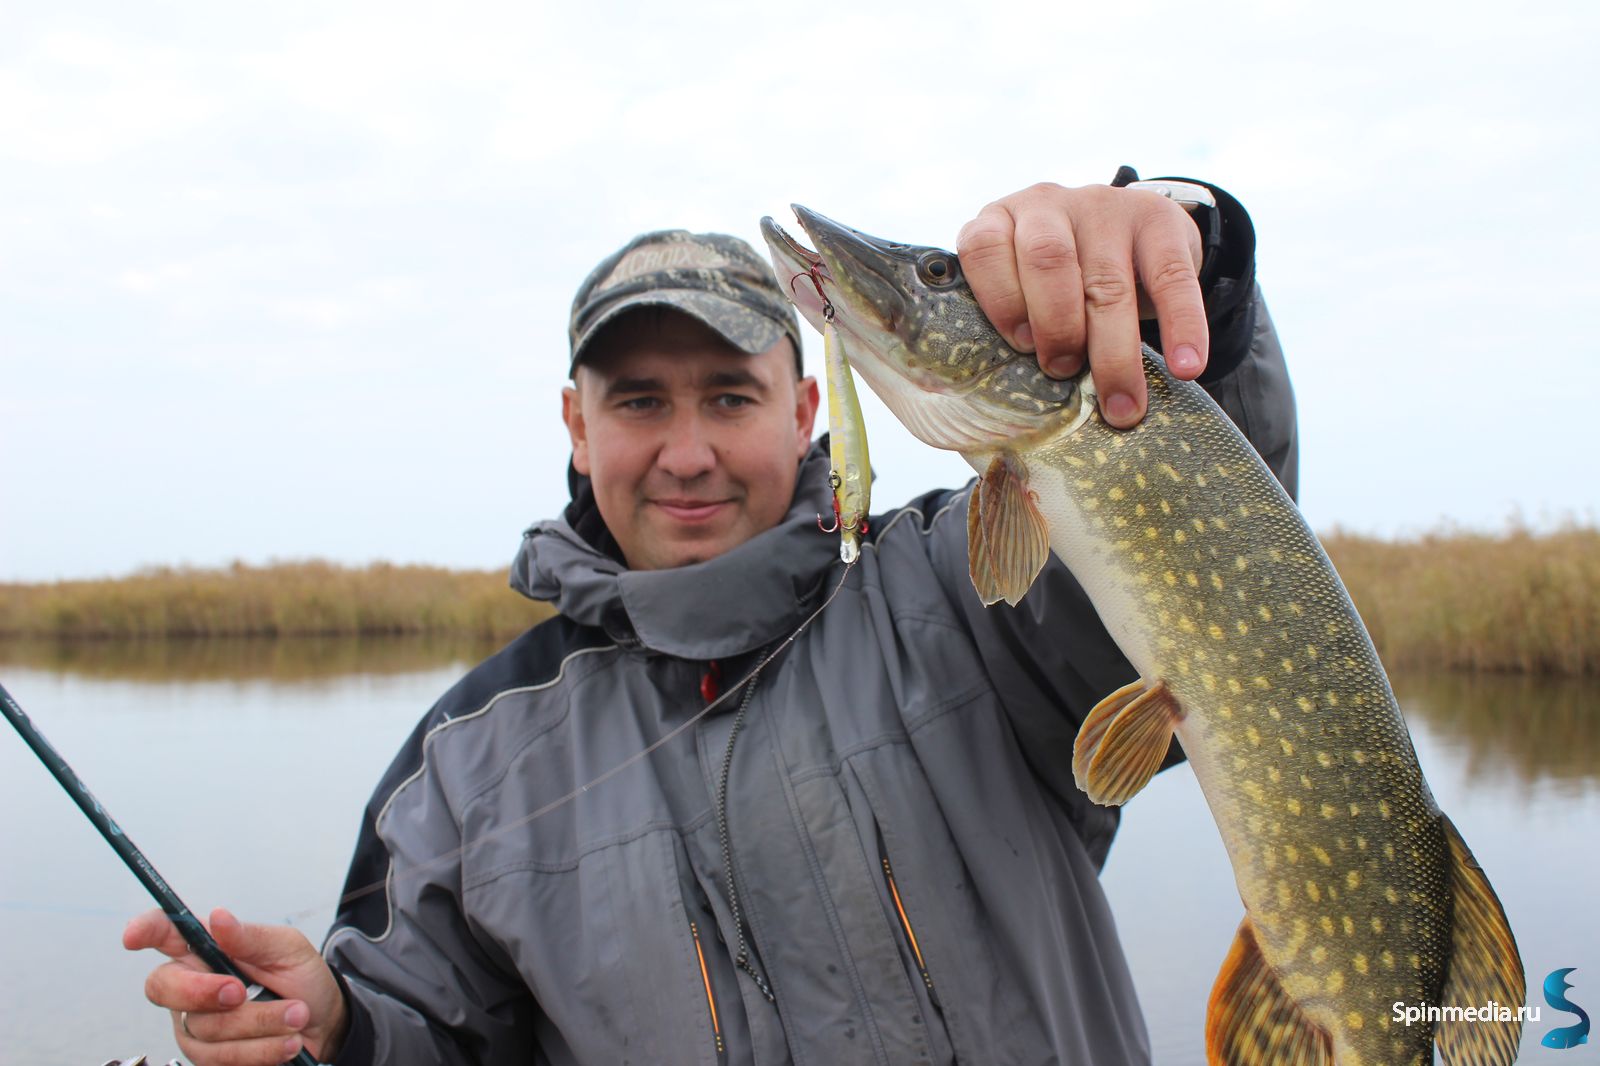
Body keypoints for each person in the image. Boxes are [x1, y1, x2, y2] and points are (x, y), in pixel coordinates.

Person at [125, 173, 1297, 1065]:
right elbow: (429, 1029)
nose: (686, 454)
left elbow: (1224, 547)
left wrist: (1197, 267)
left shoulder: (968, 591)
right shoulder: (461, 760)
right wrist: (331, 1023)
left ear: (800, 409)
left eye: (728, 396)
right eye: (639, 402)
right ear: (578, 430)